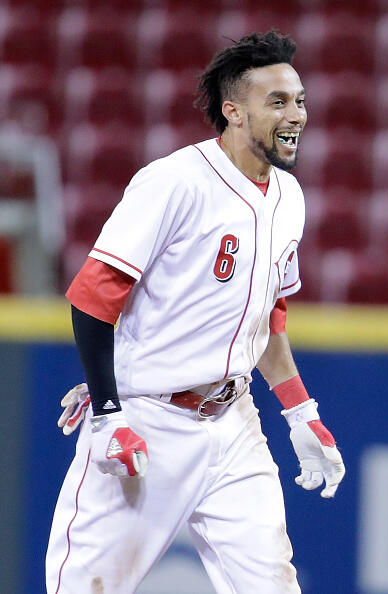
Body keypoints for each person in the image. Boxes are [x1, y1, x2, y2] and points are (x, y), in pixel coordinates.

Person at [46, 31, 345, 594]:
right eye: (277, 101)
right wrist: (109, 413)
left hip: (234, 425)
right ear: (233, 111)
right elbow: (93, 298)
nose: (296, 114)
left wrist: (299, 411)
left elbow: (268, 313)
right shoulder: (175, 182)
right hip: (148, 421)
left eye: (300, 100)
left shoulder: (289, 196)